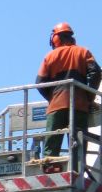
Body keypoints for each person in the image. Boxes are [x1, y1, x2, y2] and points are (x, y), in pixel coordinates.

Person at [36, 22, 101, 161]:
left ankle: (50, 170)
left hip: (56, 108)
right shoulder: (83, 52)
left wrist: (52, 98)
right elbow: (96, 73)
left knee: (51, 146)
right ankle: (77, 172)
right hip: (79, 105)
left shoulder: (50, 56)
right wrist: (89, 96)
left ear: (56, 38)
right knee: (78, 144)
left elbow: (39, 83)